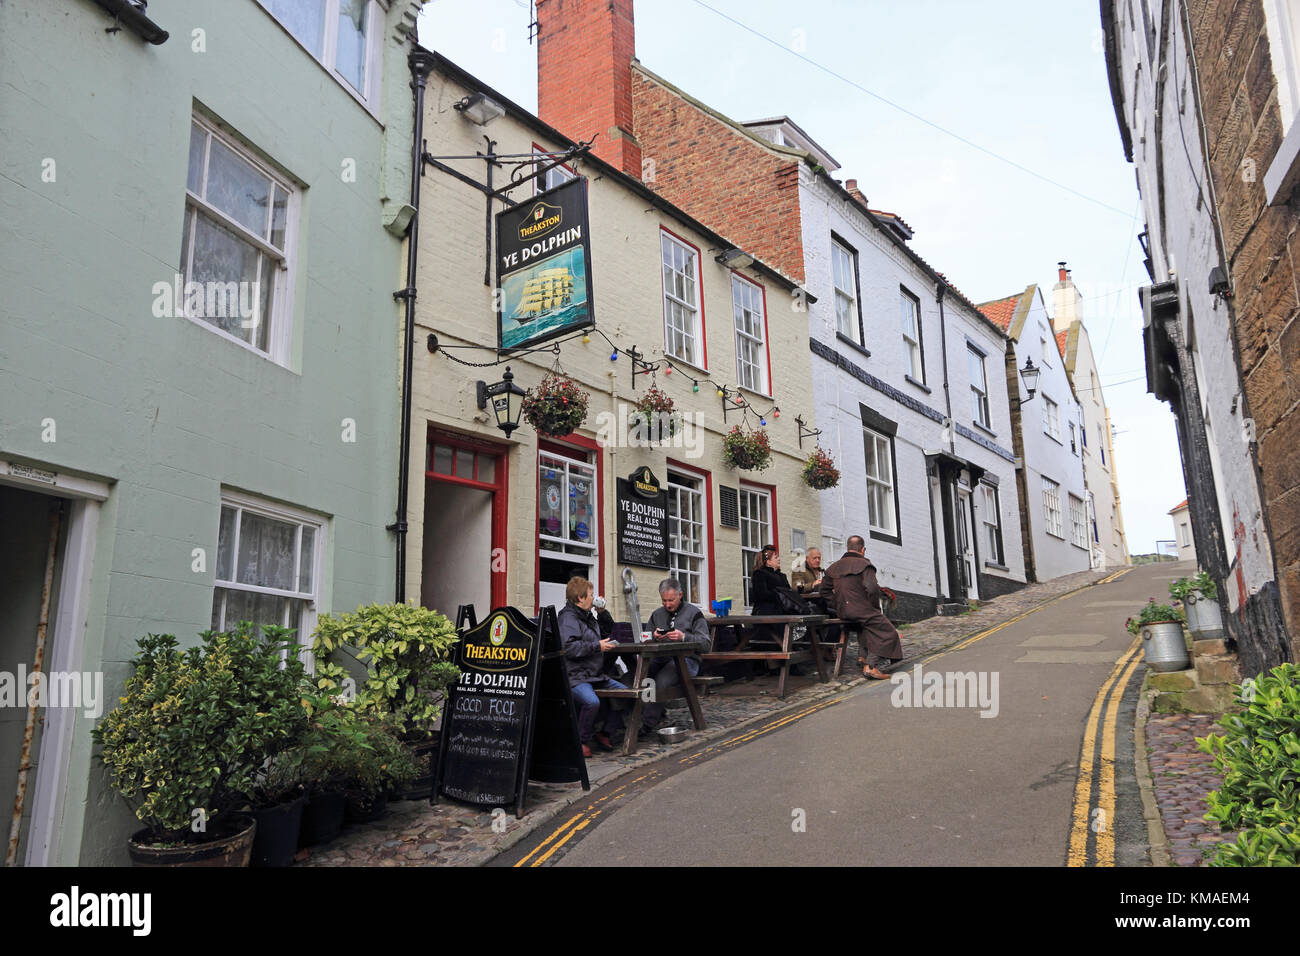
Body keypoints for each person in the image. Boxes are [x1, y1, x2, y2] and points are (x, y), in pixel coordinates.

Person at [557, 577, 625, 756]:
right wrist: (597, 646)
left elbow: (605, 632)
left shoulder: (588, 617)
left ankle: (604, 733)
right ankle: (581, 741)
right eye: (590, 595)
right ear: (580, 598)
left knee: (626, 694)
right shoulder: (567, 618)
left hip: (595, 675)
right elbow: (569, 648)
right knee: (591, 702)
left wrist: (602, 612)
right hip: (576, 676)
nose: (593, 597)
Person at [818, 535, 903, 680]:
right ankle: (871, 667)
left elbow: (823, 591)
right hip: (861, 610)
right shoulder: (865, 565)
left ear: (847, 548)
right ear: (863, 549)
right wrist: (874, 608)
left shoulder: (834, 567)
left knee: (864, 626)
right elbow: (872, 589)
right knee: (888, 632)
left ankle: (862, 657)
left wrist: (836, 604)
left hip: (843, 612)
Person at [639, 577, 711, 736]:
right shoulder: (656, 614)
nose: (667, 604)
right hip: (661, 659)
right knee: (640, 677)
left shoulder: (694, 613)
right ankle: (645, 717)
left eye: (671, 600)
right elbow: (644, 638)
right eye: (664, 600)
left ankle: (647, 723)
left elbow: (706, 645)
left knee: (660, 682)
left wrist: (683, 637)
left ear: (680, 595)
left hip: (688, 661)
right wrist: (653, 637)